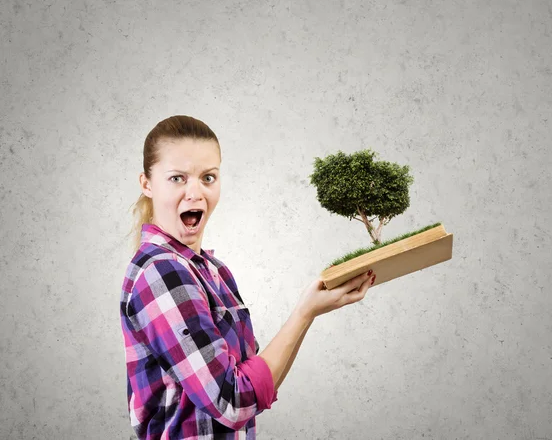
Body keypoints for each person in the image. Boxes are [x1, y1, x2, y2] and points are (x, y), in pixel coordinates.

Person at [120, 115, 376, 440]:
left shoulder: (216, 271)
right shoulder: (161, 271)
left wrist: (310, 312)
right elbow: (233, 400)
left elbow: (253, 382)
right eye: (177, 178)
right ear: (147, 184)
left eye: (208, 177)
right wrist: (304, 313)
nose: (195, 192)